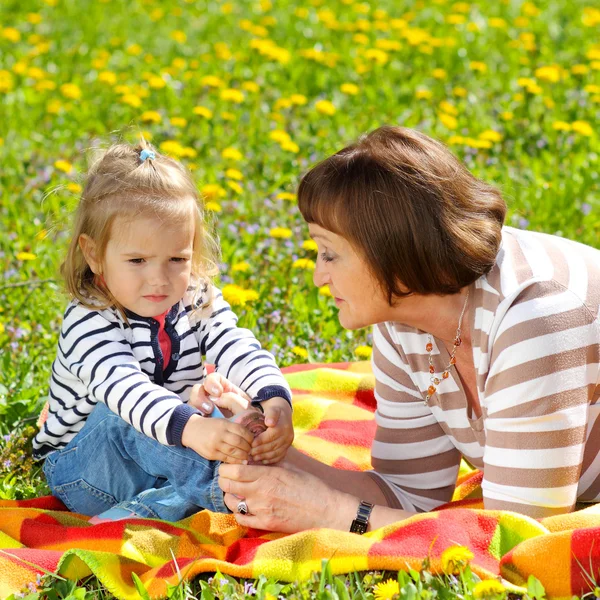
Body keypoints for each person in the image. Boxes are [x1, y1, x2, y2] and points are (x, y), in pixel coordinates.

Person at [217, 125, 600, 533]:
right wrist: (265, 449)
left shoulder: (535, 315)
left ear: (392, 251)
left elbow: (514, 537)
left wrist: (328, 513)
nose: (317, 277)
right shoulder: (405, 320)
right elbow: (407, 493)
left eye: (329, 254)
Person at [33, 141, 294, 523]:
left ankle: (142, 511)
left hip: (164, 451)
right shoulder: (88, 319)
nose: (158, 278)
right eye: (137, 260)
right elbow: (127, 390)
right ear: (94, 254)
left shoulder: (193, 296)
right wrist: (193, 427)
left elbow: (235, 343)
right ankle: (231, 486)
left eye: (177, 259)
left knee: (227, 406)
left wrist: (274, 400)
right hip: (84, 468)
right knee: (120, 416)